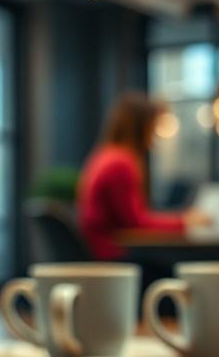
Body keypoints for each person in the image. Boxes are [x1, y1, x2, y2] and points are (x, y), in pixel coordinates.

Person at [78, 93, 208, 260]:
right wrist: (185, 222)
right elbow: (136, 223)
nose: (155, 134)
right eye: (153, 125)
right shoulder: (120, 164)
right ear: (142, 127)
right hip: (114, 255)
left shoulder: (104, 155)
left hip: (103, 250)